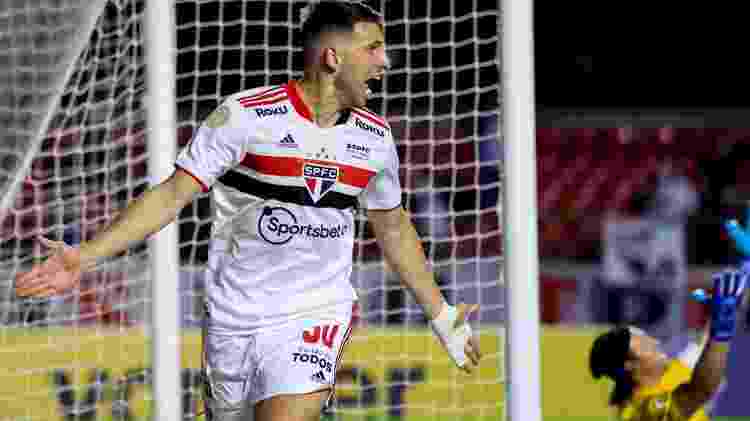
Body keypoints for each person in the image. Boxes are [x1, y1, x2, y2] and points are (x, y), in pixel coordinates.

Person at [14, 2, 482, 421]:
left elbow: (394, 229)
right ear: (333, 58)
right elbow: (173, 194)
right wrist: (87, 256)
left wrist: (442, 316)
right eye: (374, 48)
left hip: (315, 312)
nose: (385, 61)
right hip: (232, 318)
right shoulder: (246, 118)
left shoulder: (375, 140)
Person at [588, 265, 747, 421]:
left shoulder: (673, 373)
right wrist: (721, 327)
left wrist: (738, 291)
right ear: (628, 365)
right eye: (643, 343)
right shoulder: (640, 413)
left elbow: (706, 342)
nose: (655, 342)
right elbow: (702, 389)